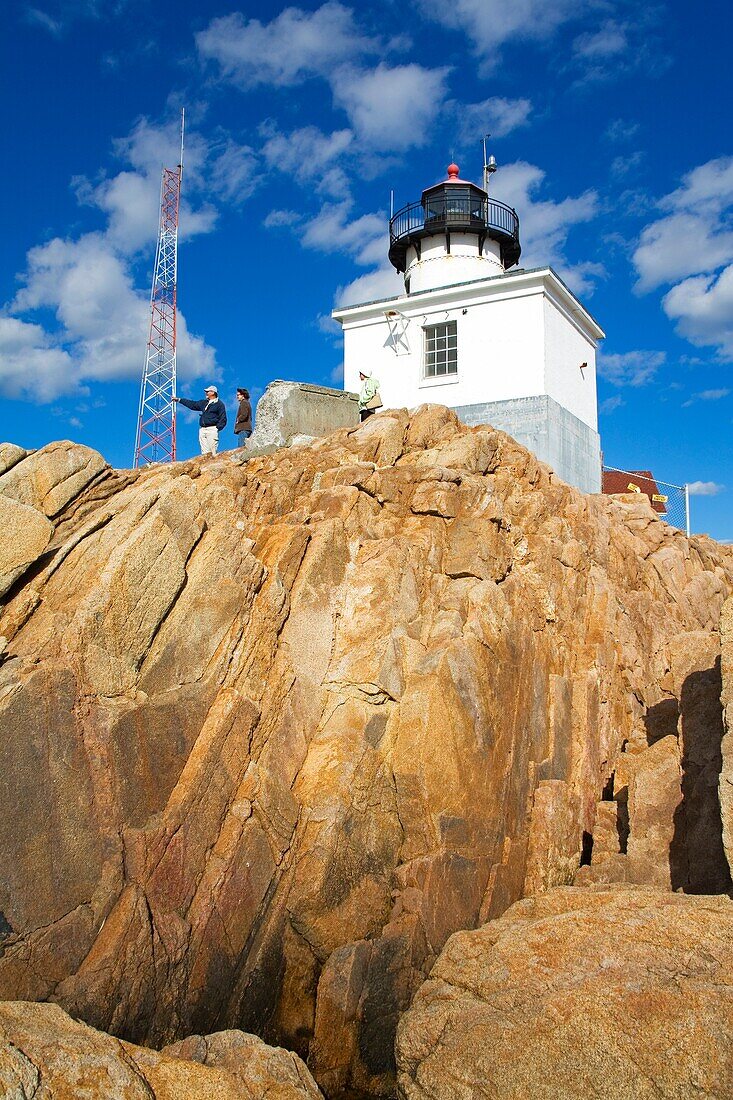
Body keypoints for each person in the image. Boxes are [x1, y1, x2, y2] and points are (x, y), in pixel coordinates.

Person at [173, 385, 227, 456]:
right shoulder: (204, 403)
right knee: (204, 453)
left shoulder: (219, 404)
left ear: (213, 392)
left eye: (207, 391)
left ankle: (212, 466)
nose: (206, 393)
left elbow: (223, 418)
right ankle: (206, 466)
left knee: (213, 451)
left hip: (212, 429)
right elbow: (192, 404)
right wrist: (179, 400)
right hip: (202, 429)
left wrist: (217, 428)